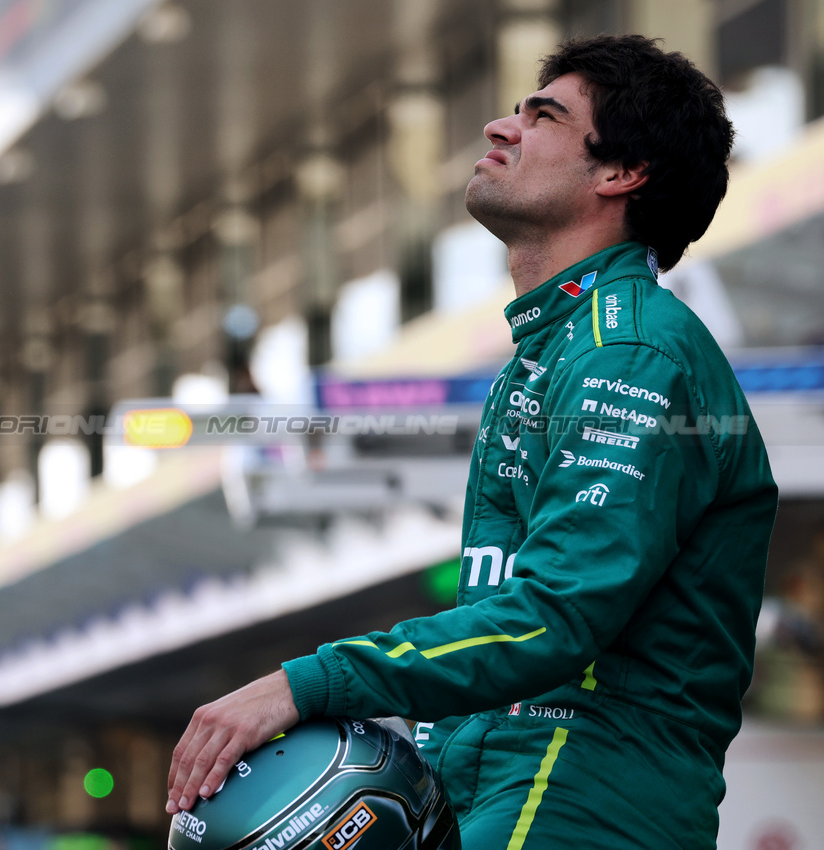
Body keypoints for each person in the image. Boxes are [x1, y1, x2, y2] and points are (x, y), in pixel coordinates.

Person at [166, 34, 779, 849]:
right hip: (510, 780)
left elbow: (555, 617)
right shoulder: (555, 348)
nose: (499, 126)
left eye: (543, 116)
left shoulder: (627, 352)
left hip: (575, 789)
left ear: (620, 172)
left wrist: (305, 684)